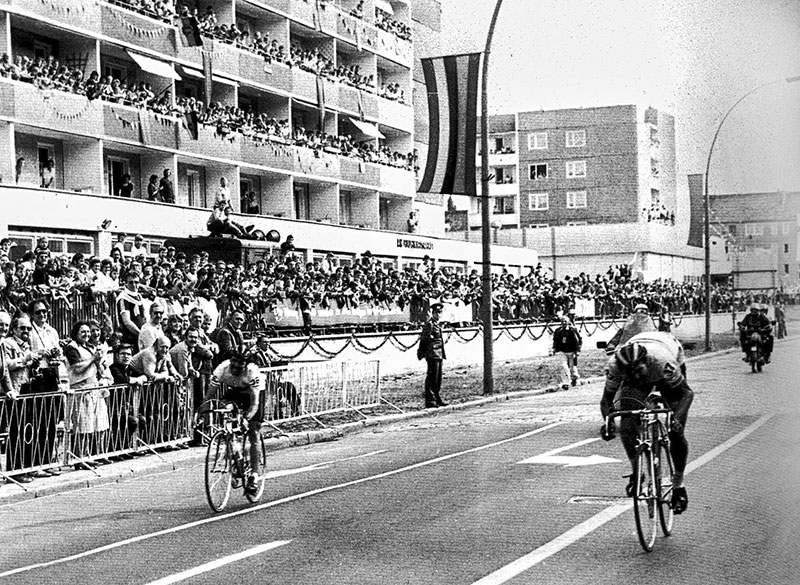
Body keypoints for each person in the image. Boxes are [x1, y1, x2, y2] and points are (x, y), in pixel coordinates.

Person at [600, 331, 692, 514]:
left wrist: (676, 420)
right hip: (642, 357)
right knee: (627, 420)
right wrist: (608, 422)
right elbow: (606, 401)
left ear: (646, 363)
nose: (635, 376)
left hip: (667, 351)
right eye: (629, 373)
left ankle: (679, 486)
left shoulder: (663, 363)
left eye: (638, 371)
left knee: (676, 432)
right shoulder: (615, 367)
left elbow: (686, 394)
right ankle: (637, 470)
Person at [202, 351, 266, 493]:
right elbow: (209, 396)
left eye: (240, 363)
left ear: (246, 365)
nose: (236, 366)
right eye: (234, 362)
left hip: (252, 394)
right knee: (225, 410)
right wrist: (203, 415)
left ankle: (254, 476)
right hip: (235, 392)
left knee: (253, 431)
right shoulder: (221, 369)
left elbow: (254, 404)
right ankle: (236, 453)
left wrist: (246, 418)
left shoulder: (252, 372)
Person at [417, 302, 447, 408]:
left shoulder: (437, 324)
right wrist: (421, 352)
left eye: (440, 312)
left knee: (438, 379)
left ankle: (437, 398)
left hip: (438, 354)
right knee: (431, 378)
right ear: (432, 313)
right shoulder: (429, 324)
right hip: (432, 354)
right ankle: (430, 401)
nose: (438, 315)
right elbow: (424, 339)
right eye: (436, 312)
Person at [551, 315, 582, 389]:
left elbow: (578, 340)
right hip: (562, 351)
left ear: (568, 322)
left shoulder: (572, 330)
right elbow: (555, 340)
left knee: (572, 367)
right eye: (562, 321)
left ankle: (574, 377)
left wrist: (577, 350)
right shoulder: (558, 331)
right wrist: (554, 348)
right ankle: (566, 382)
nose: (564, 323)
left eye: (565, 321)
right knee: (564, 366)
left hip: (571, 351)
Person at [116, 271, 146, 346]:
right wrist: (140, 333)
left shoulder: (139, 296)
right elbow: (127, 322)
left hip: (141, 336)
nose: (134, 285)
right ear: (126, 283)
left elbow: (144, 316)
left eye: (136, 282)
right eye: (131, 282)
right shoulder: (123, 298)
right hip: (129, 337)